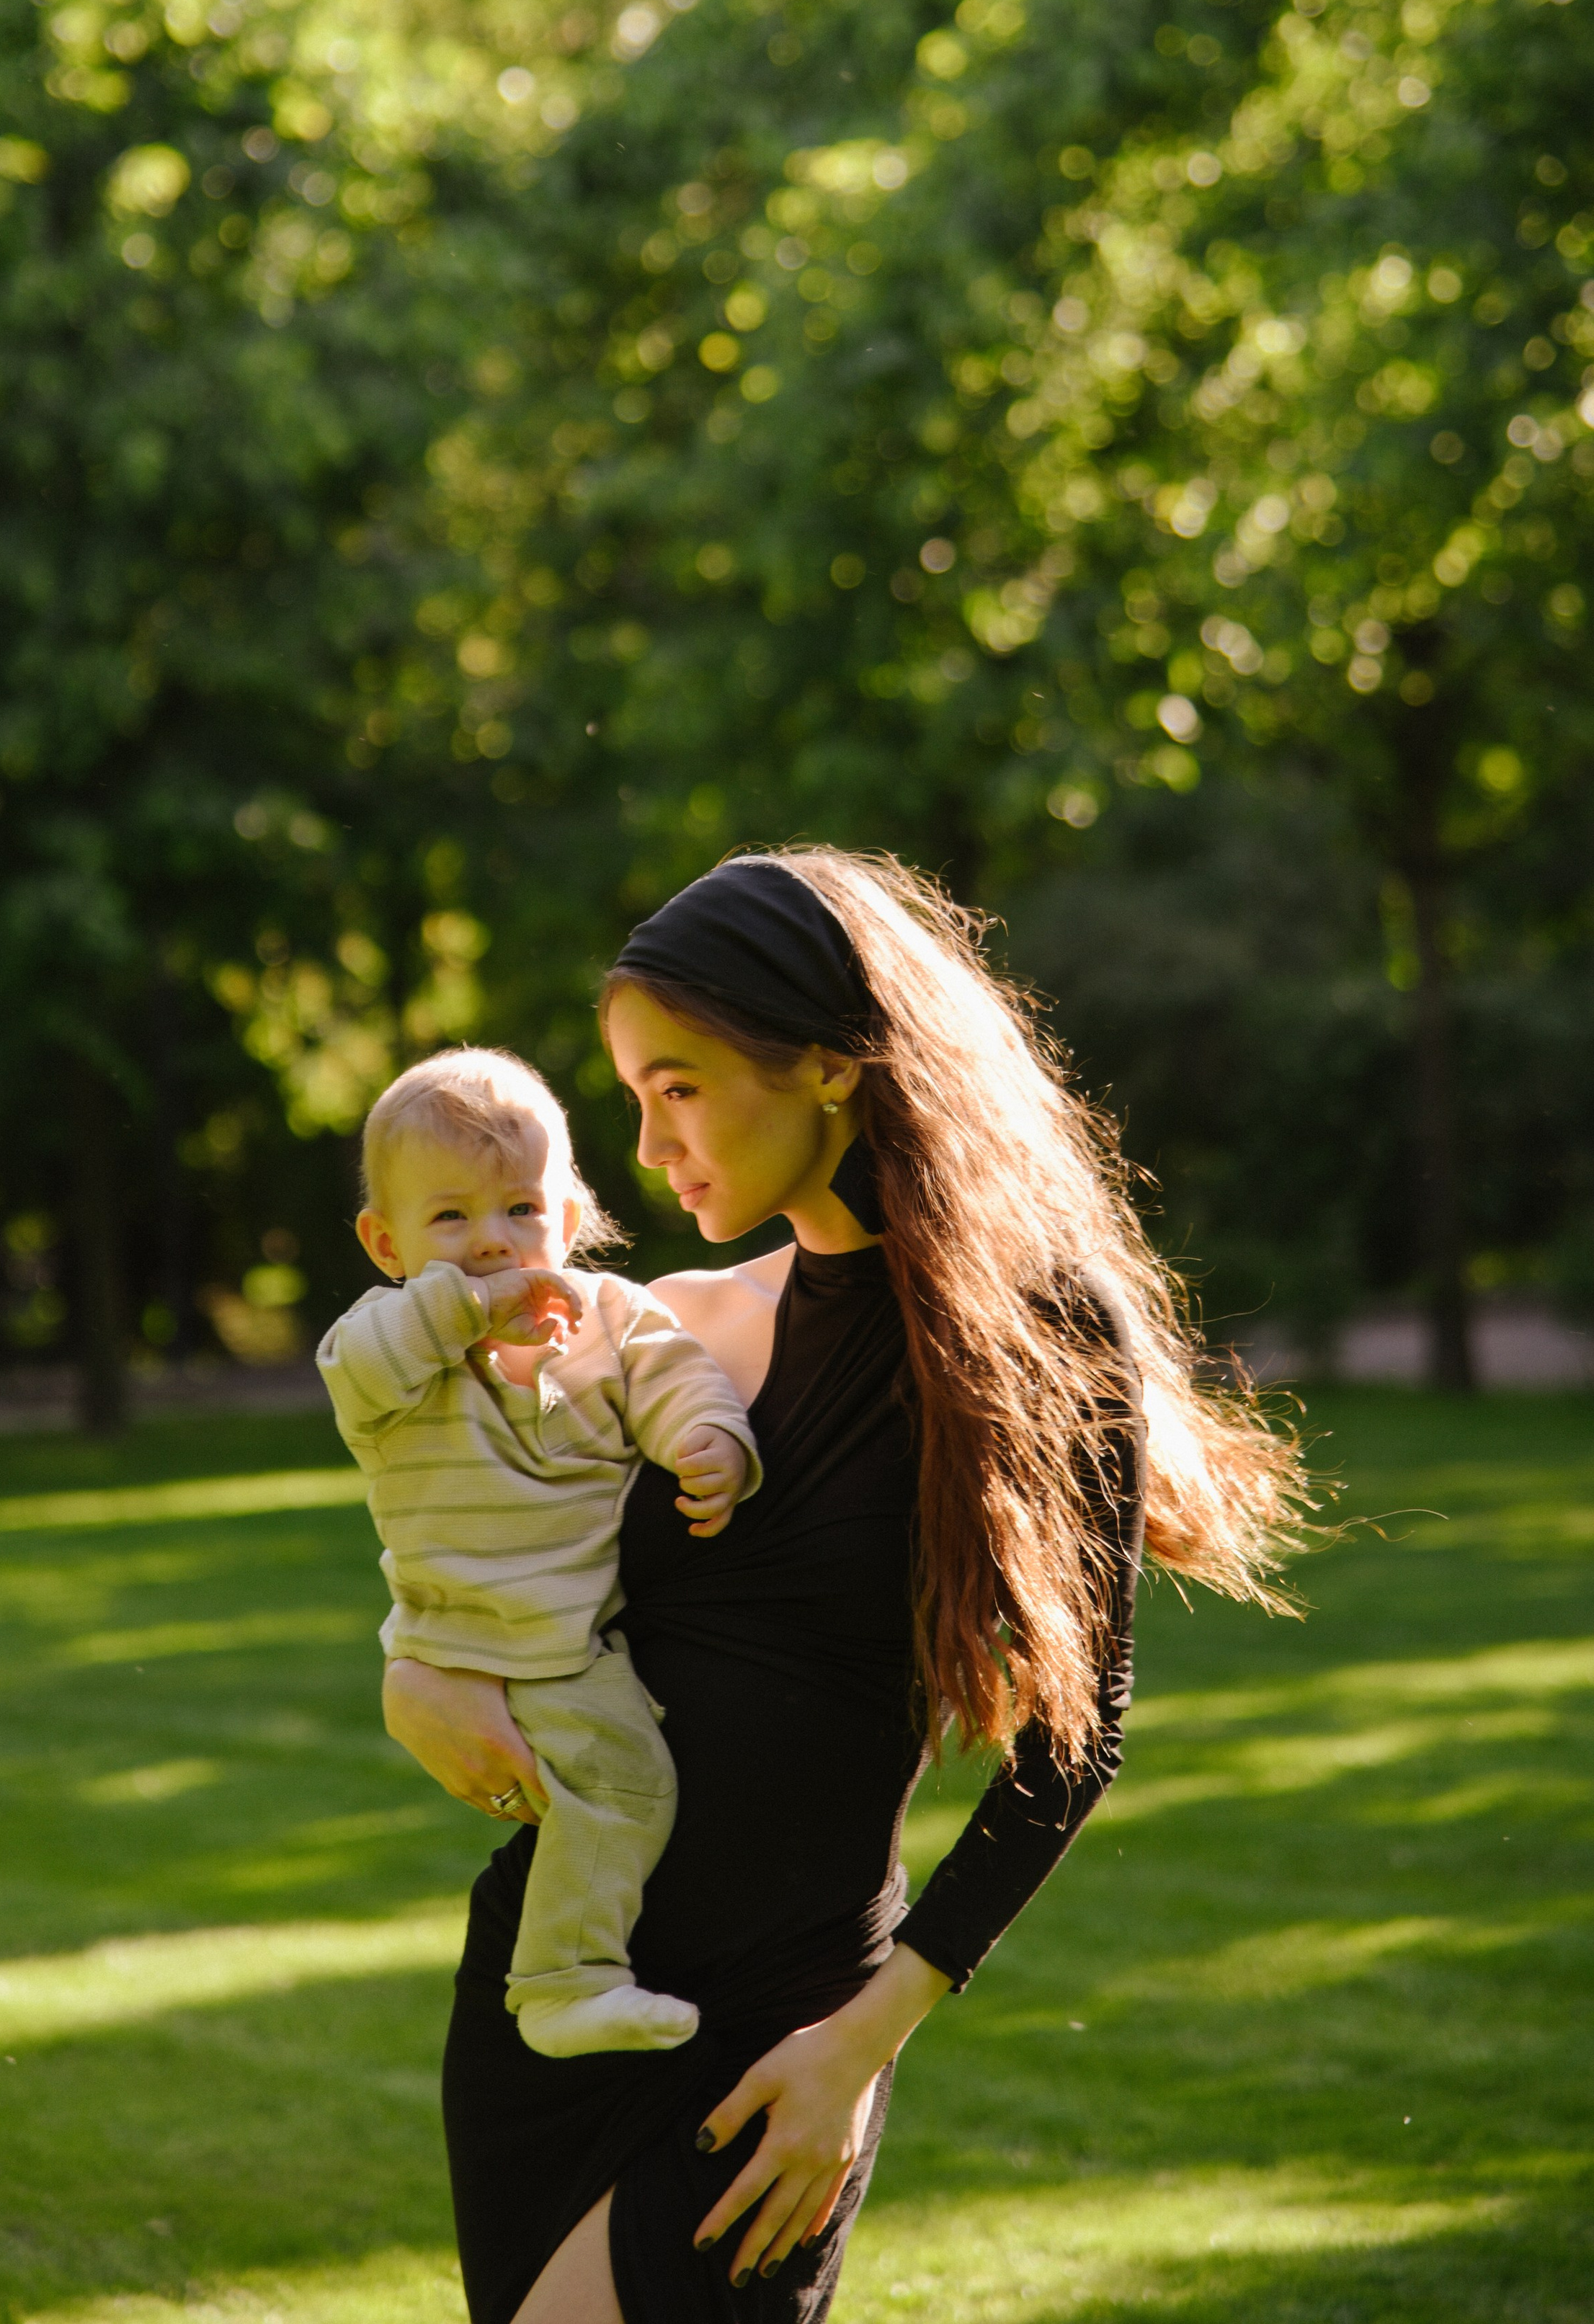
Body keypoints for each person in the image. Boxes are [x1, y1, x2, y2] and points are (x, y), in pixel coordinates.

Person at [386, 849, 1311, 2324]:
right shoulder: (662, 1332)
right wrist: (415, 1676)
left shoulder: (1034, 1340)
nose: (646, 1145)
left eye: (676, 1088)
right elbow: (476, 1563)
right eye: (630, 1098)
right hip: (548, 2007)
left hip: (780, 2039)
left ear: (824, 1069)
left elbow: (1072, 1743)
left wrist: (860, 2043)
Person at [319, 1048, 762, 2057]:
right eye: (450, 1217)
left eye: (520, 1208)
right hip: (458, 1637)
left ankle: (566, 1972)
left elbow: (679, 1374)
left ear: (567, 1217)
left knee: (624, 1782)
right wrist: (477, 1308)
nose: (491, 1241)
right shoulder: (388, 1337)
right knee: (625, 1783)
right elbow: (358, 1371)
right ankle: (566, 1979)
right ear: (385, 1241)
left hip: (565, 1641)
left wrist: (710, 1439)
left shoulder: (610, 1315)